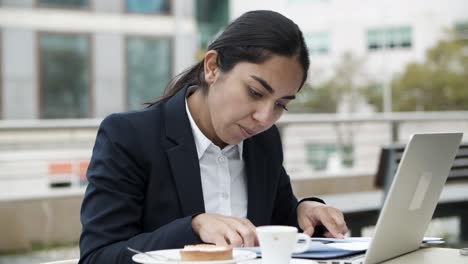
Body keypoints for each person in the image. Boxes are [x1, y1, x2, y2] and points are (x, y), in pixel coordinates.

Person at [79, 10, 348, 264]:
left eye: (281, 104)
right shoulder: (129, 137)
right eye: (255, 92)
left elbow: (275, 223)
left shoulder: (263, 143)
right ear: (212, 67)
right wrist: (193, 227)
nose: (264, 118)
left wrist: (305, 212)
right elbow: (98, 256)